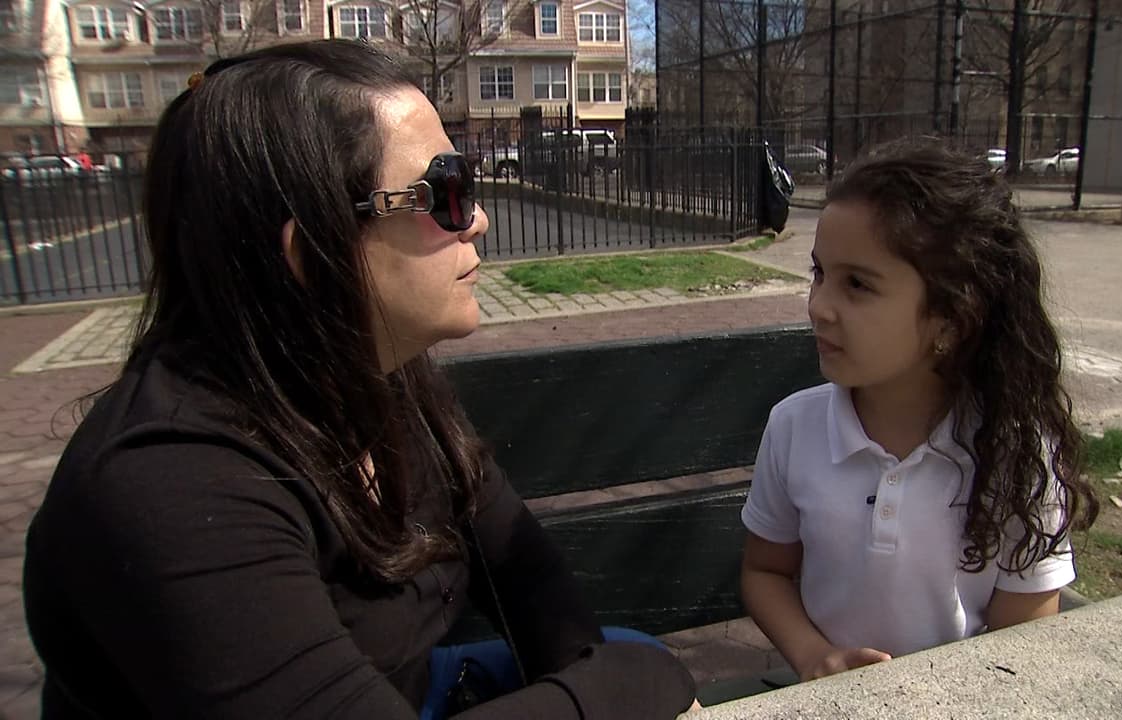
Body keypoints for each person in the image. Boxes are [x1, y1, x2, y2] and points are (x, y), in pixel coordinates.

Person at [23, 40, 695, 719]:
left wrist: (608, 678)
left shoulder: (383, 374)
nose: (480, 219)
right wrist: (614, 691)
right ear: (313, 250)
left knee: (625, 656)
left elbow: (535, 591)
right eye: (447, 192)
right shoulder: (171, 486)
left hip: (410, 691)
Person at [740, 138, 1099, 683]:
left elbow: (1024, 638)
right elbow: (764, 570)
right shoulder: (795, 426)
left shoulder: (1016, 449)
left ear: (952, 319)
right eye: (819, 274)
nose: (818, 305)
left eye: (857, 284)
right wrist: (815, 656)